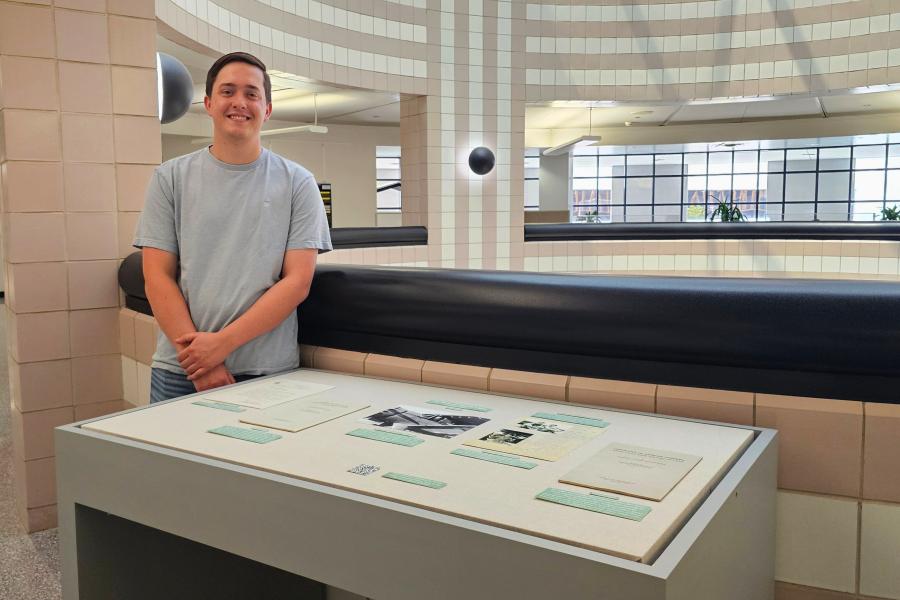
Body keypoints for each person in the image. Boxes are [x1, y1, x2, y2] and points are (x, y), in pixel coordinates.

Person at [134, 52, 332, 403]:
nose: (239, 102)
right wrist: (202, 361)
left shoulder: (298, 182)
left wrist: (220, 345)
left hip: (266, 370)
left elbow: (297, 282)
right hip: (181, 368)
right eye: (227, 91)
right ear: (209, 104)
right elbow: (157, 277)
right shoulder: (170, 178)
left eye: (251, 94)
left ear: (267, 109)